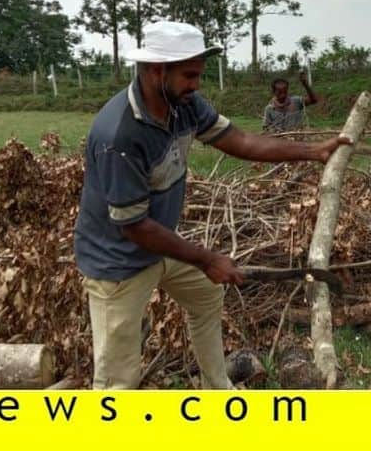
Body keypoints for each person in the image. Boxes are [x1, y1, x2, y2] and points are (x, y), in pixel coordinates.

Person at [73, 21, 350, 389]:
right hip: (117, 262)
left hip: (158, 245)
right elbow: (133, 226)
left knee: (206, 294)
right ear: (157, 71)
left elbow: (241, 141)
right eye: (190, 75)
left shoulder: (183, 104)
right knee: (117, 383)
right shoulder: (119, 135)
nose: (197, 84)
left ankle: (218, 390)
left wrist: (311, 151)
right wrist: (207, 259)